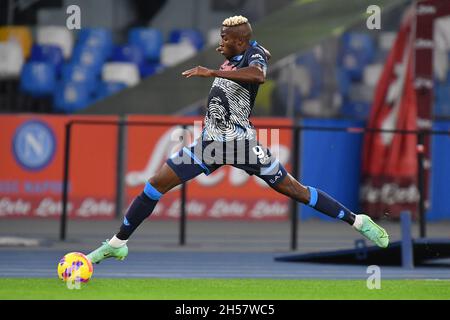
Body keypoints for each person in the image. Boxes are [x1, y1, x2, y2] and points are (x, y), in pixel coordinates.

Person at [86, 15, 389, 264]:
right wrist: (236, 53)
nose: (220, 43)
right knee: (154, 186)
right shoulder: (243, 50)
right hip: (210, 144)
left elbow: (258, 76)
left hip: (241, 145)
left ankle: (357, 221)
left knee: (296, 190)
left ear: (240, 41)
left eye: (225, 38)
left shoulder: (252, 58)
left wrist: (211, 72)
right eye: (220, 37)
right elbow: (256, 50)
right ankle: (117, 243)